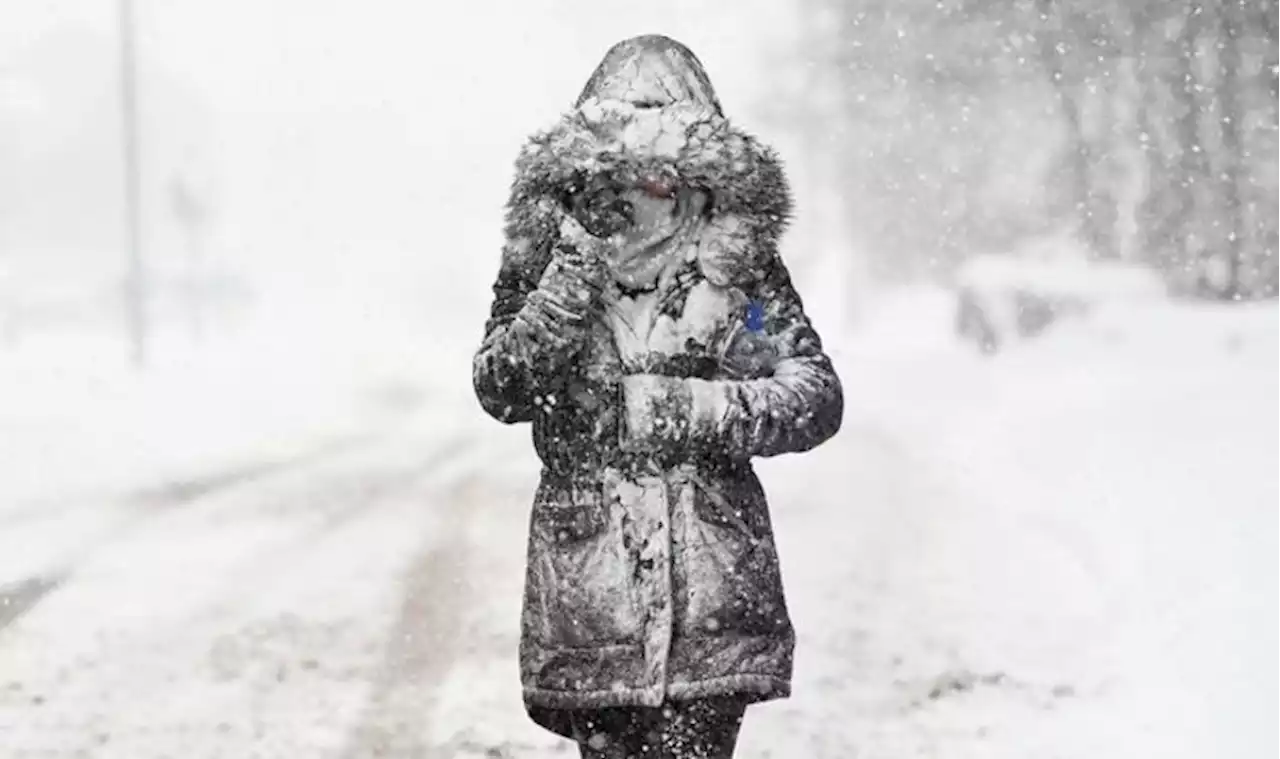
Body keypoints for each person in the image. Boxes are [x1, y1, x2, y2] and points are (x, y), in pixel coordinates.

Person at [472, 34, 843, 758]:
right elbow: (501, 385)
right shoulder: (551, 255)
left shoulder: (737, 268)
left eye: (666, 165)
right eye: (625, 164)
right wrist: (569, 279)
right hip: (591, 600)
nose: (646, 185)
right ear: (591, 162)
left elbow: (813, 394)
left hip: (714, 597)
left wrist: (682, 409)